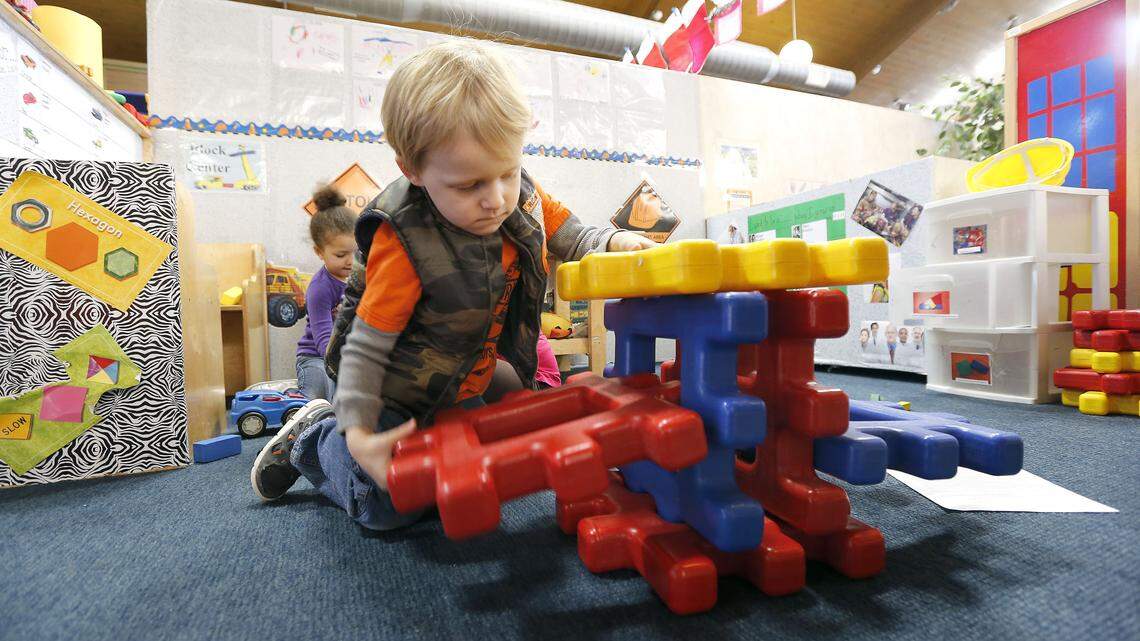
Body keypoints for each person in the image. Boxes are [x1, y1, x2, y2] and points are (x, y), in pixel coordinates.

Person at [250, 40, 655, 529]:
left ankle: (443, 418)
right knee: (389, 506)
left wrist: (614, 242)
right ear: (413, 170)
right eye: (469, 186)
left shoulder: (519, 193)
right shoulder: (405, 242)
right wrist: (359, 432)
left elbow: (572, 234)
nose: (497, 199)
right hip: (391, 389)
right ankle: (316, 438)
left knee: (524, 415)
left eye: (507, 172)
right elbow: (365, 349)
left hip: (464, 371)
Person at [294, 186, 356, 401]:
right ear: (319, 252)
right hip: (315, 357)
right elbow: (322, 340)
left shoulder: (362, 279)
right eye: (341, 255)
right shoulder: (320, 288)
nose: (351, 261)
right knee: (321, 396)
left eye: (357, 253)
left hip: (348, 355)